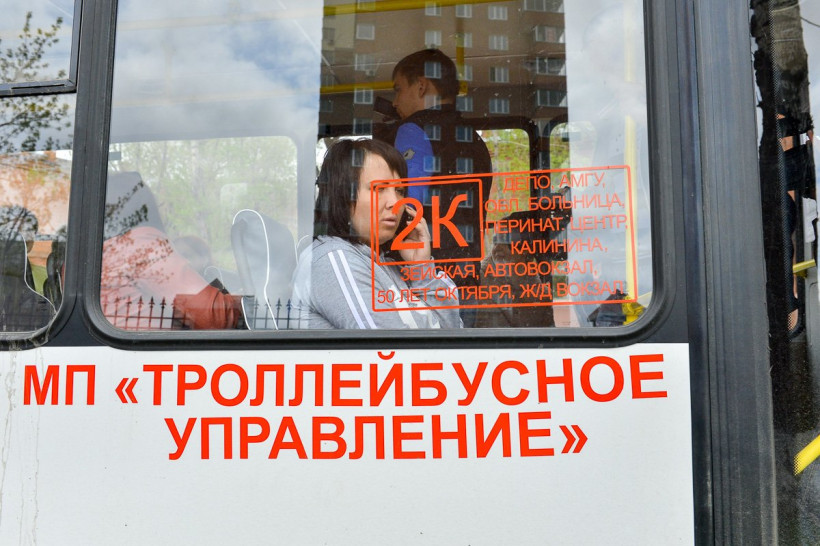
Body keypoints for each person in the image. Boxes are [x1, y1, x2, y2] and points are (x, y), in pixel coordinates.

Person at [292, 138, 462, 329]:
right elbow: (389, 344)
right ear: (342, 195)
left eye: (400, 191)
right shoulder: (333, 259)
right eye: (379, 189)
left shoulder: (384, 265)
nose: (395, 203)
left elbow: (453, 334)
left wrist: (421, 269)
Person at [382, 48, 493, 326]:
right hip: (467, 278)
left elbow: (406, 208)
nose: (395, 102)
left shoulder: (413, 130)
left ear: (421, 86)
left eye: (398, 89)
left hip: (423, 279)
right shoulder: (475, 141)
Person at [101, 171, 242, 330]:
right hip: (151, 345)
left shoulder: (102, 253)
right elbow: (216, 317)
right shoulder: (141, 246)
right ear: (143, 206)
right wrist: (248, 302)